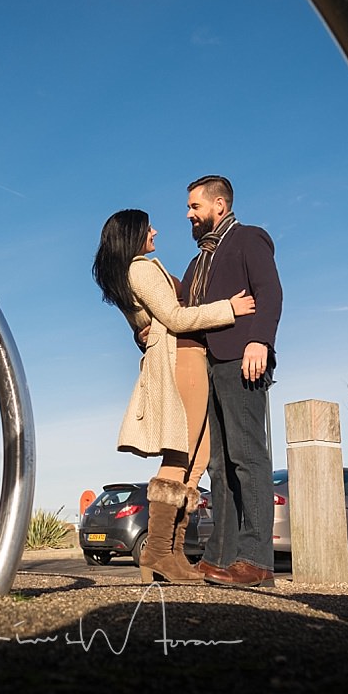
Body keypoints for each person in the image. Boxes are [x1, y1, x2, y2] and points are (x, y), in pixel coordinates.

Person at [92, 209, 256, 583]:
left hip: (185, 359)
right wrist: (230, 308)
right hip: (183, 361)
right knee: (181, 455)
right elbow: (176, 319)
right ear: (132, 234)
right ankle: (158, 551)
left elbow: (150, 326)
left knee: (197, 458)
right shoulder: (142, 269)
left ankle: (172, 553)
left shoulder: (129, 274)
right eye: (147, 226)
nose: (155, 230)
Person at [179, 175, 282, 587]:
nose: (189, 214)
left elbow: (269, 291)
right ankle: (219, 556)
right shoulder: (198, 260)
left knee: (248, 457)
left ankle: (257, 561)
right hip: (207, 367)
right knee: (220, 466)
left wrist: (260, 340)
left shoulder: (248, 239)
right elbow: (182, 308)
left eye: (194, 207)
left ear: (219, 205)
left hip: (242, 359)